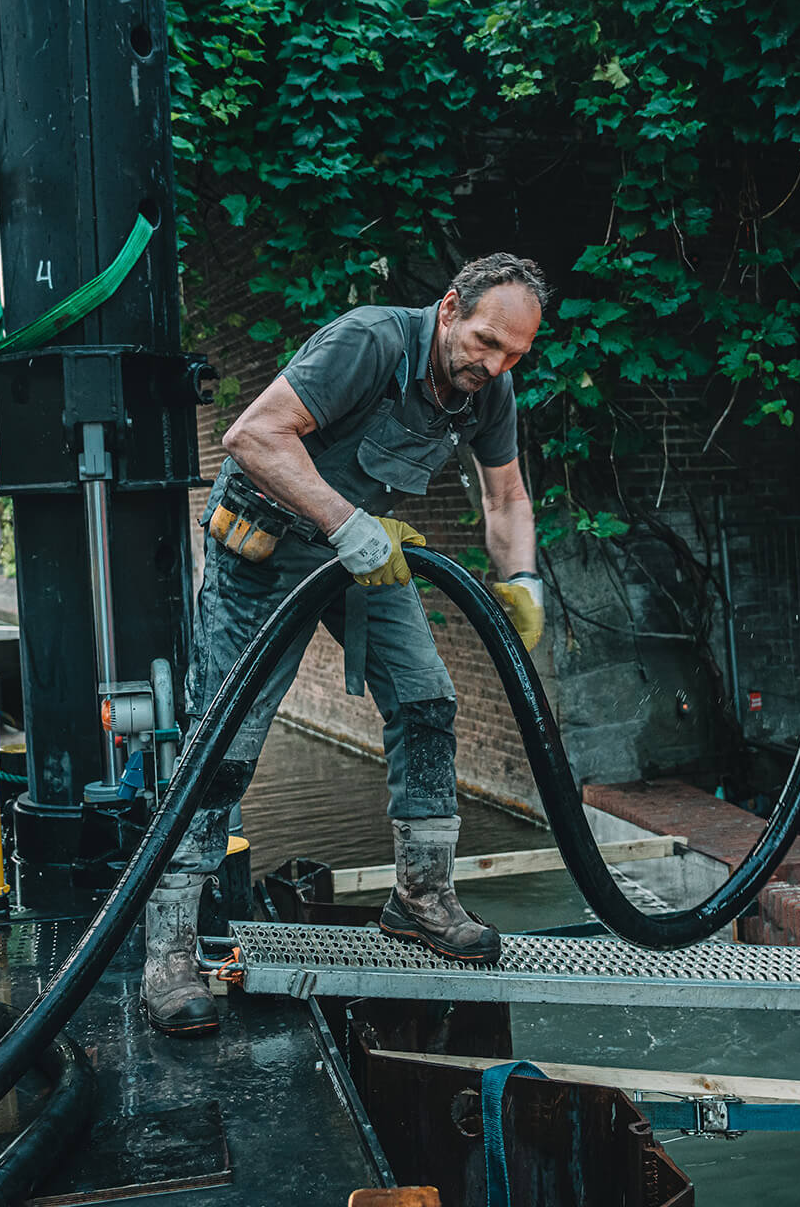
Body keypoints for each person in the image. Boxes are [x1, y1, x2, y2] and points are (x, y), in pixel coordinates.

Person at [142, 254, 551, 1036]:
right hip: (265, 552)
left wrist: (524, 576)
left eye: (513, 356)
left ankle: (421, 897)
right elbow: (252, 435)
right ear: (448, 307)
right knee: (223, 743)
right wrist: (345, 524)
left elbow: (505, 495)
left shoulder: (486, 391)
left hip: (364, 554)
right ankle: (169, 950)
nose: (494, 365)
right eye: (485, 342)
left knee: (429, 698)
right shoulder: (368, 343)